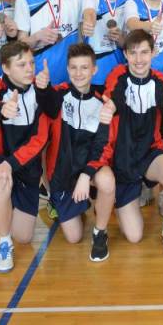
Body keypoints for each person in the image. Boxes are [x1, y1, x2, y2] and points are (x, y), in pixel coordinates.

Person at [87, 29, 163, 258]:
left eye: (144, 52)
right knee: (134, 236)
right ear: (125, 55)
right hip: (122, 160)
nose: (139, 59)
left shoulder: (160, 80)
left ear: (153, 53)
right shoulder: (117, 75)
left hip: (150, 153)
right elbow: (115, 94)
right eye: (133, 53)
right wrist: (111, 106)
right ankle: (103, 220)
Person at [36, 43, 117, 261]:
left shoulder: (102, 103)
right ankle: (62, 201)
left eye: (84, 67)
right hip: (63, 175)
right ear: (67, 69)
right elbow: (48, 102)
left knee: (107, 180)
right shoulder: (59, 95)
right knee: (74, 237)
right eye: (73, 67)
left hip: (88, 169)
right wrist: (42, 88)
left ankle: (100, 233)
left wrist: (86, 175)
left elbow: (103, 146)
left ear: (94, 70)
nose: (78, 73)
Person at [0, 41, 52, 272]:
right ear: (6, 68)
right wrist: (0, 110)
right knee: (1, 182)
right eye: (21, 65)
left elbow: (40, 139)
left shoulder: (39, 91)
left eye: (31, 63)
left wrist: (12, 164)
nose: (29, 69)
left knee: (24, 236)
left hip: (25, 166)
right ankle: (4, 244)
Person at [80, 0, 128, 85]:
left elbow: (126, 44)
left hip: (118, 71)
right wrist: (89, 23)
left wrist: (119, 38)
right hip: (94, 72)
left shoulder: (127, 3)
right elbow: (89, 11)